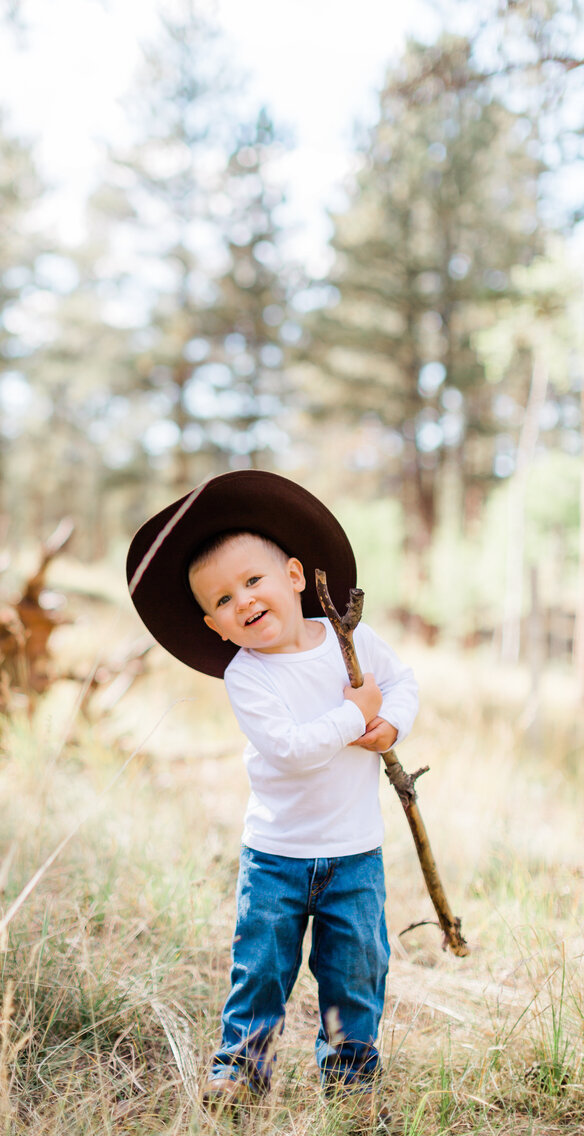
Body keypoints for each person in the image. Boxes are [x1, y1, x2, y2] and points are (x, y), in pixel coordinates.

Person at [125, 470, 418, 1117]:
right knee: (260, 970)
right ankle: (240, 1068)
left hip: (354, 853)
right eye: (224, 600)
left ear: (292, 575)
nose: (244, 601)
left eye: (252, 581)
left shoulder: (351, 639)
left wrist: (389, 719)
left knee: (356, 970)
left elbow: (402, 683)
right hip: (276, 857)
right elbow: (290, 747)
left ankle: (351, 1080)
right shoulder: (247, 676)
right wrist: (354, 714)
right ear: (216, 626)